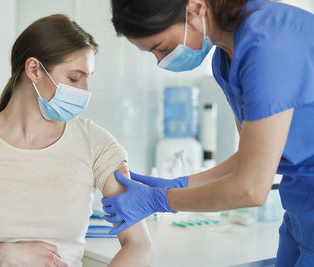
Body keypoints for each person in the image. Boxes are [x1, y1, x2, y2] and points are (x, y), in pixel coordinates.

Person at [0, 14, 152, 267]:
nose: (85, 90)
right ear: (34, 69)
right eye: (74, 77)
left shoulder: (97, 145)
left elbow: (139, 244)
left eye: (87, 77)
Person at [103, 0, 314, 266]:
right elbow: (251, 158)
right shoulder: (224, 60)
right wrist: (177, 185)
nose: (161, 61)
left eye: (162, 48)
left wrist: (159, 200)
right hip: (301, 206)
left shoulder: (267, 46)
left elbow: (251, 188)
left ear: (195, 7)